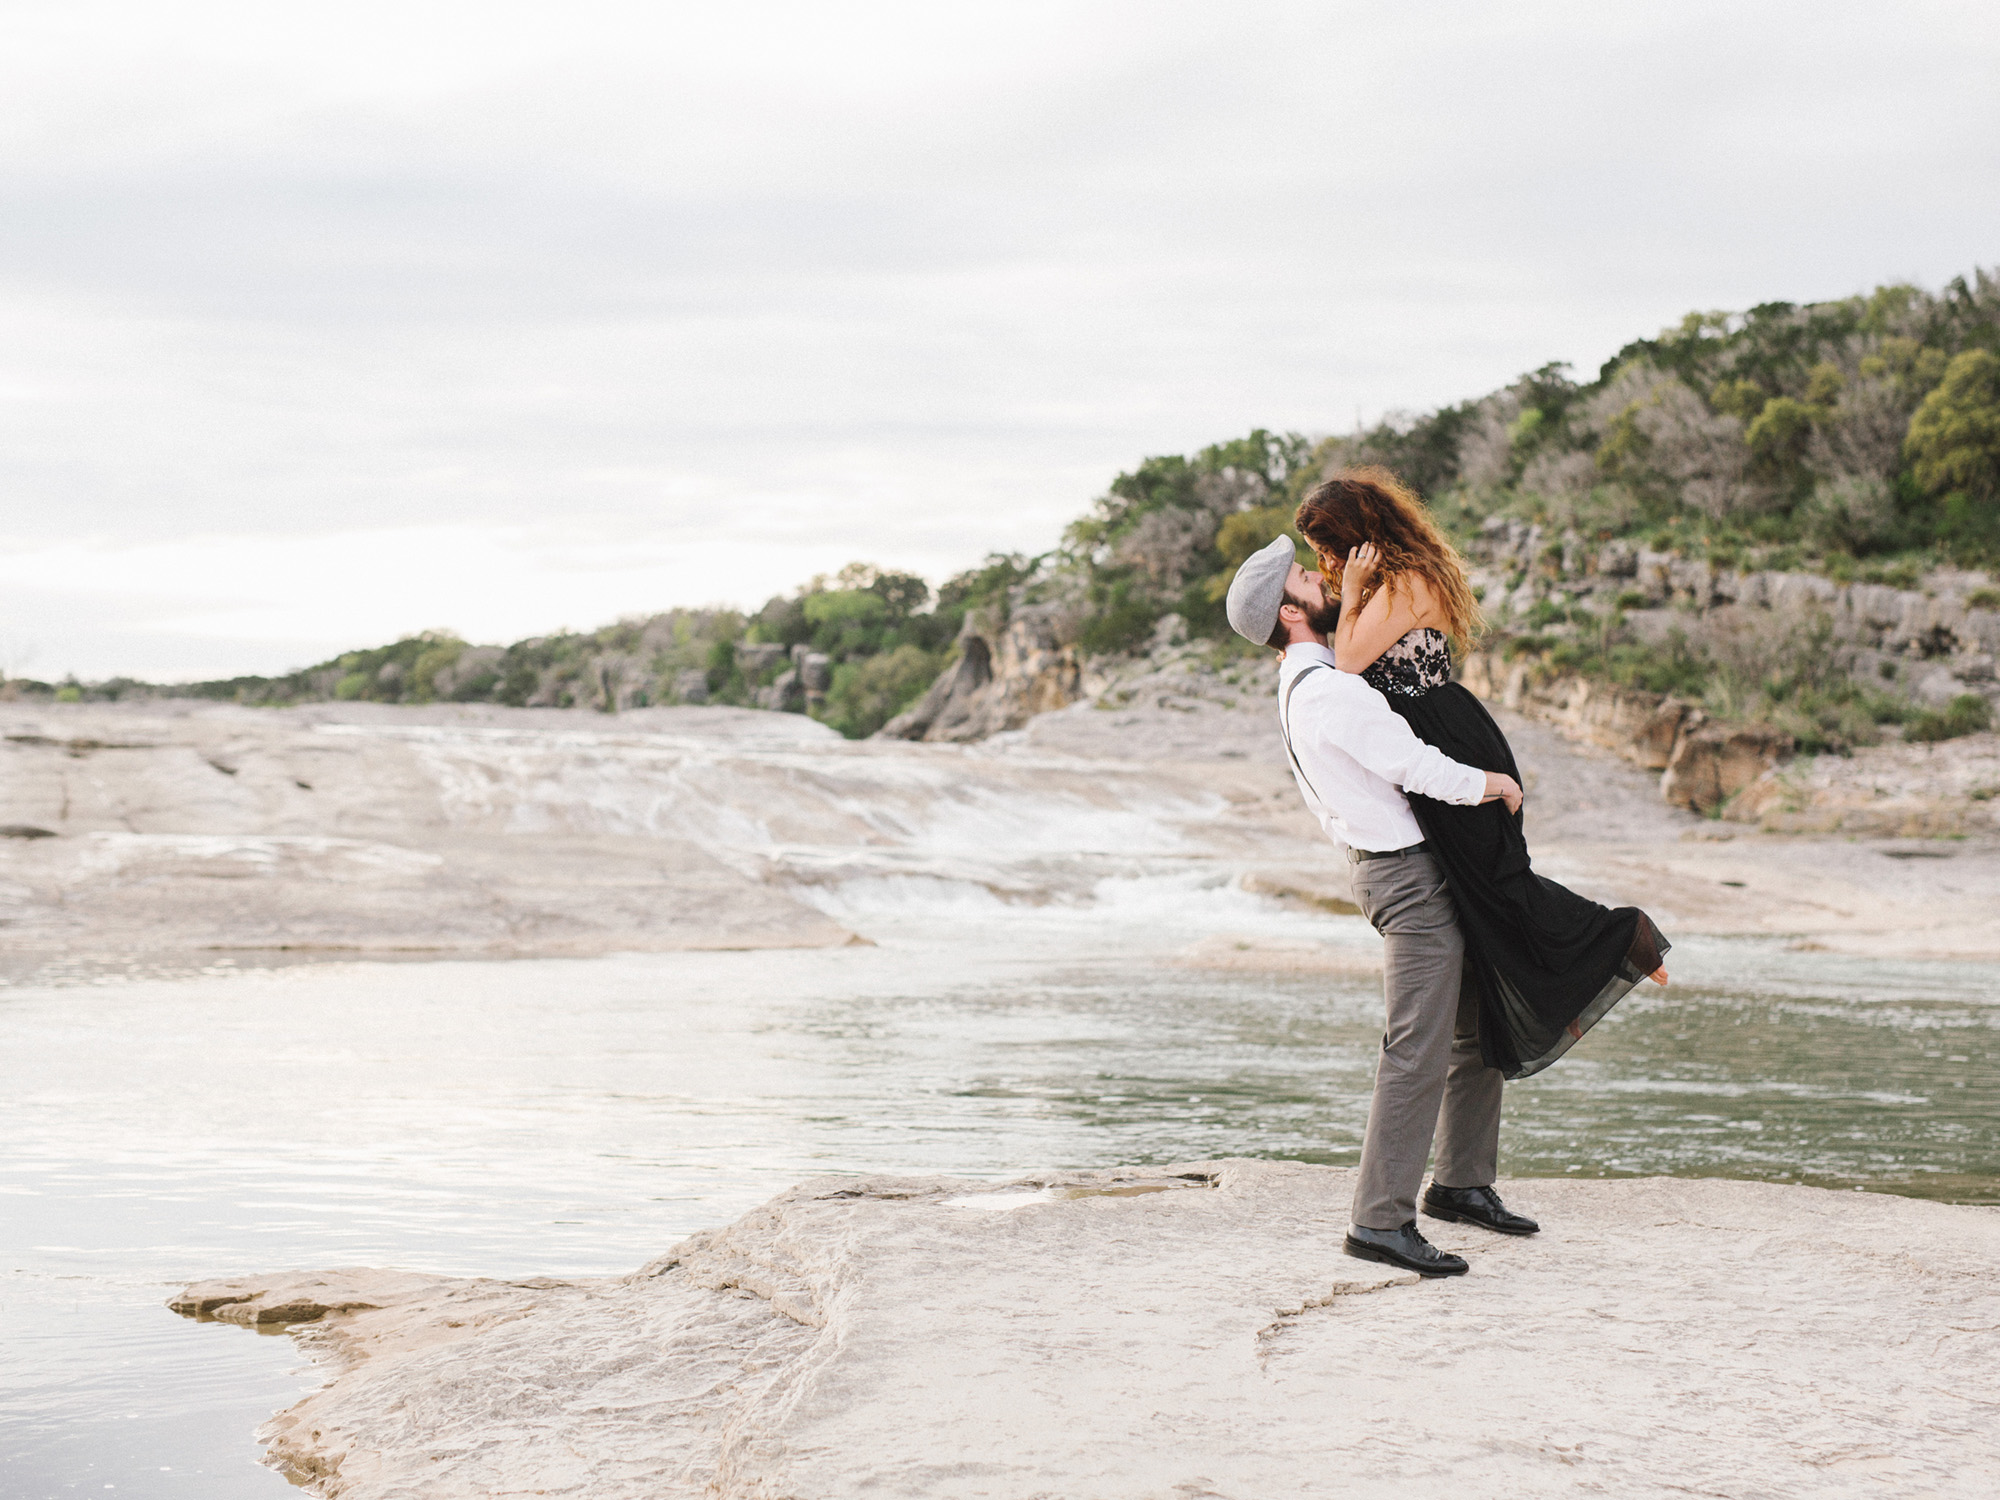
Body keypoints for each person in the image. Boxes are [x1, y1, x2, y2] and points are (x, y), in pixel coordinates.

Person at [1294, 466, 1670, 1083]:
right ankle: (1504, 1031)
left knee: (1498, 882)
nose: (1327, 561)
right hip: (1431, 740)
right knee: (1480, 891)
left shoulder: (1406, 581)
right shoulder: (1386, 582)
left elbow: (1350, 663)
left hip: (1448, 741)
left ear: (1358, 536)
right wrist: (1354, 591)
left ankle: (1621, 936)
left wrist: (1355, 589)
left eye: (1326, 547)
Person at [1225, 534, 1534, 1279]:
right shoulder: (1328, 689)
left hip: (1399, 872)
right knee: (1414, 1050)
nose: (1322, 577)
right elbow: (1410, 762)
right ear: (1292, 611)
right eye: (1308, 577)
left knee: (1471, 1027)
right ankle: (1379, 1222)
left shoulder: (1306, 677)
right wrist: (1490, 783)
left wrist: (1359, 596)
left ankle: (1461, 1183)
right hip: (1407, 880)